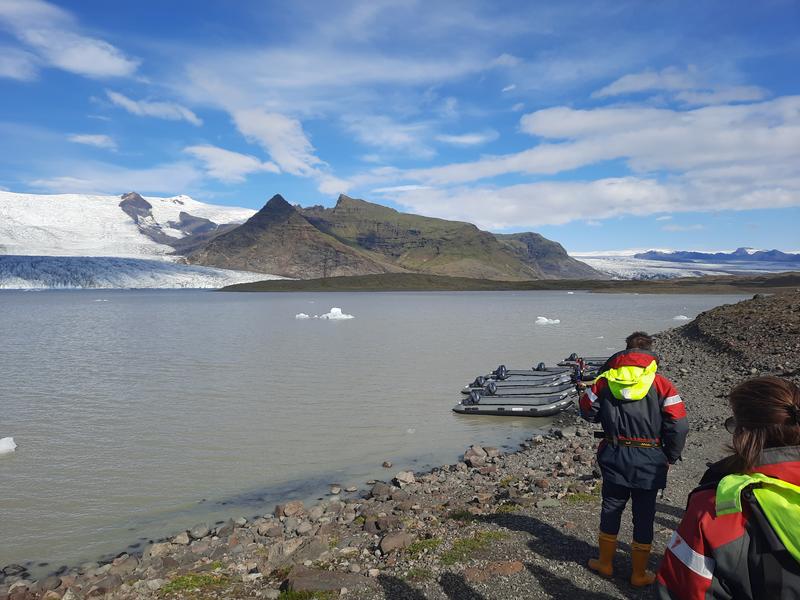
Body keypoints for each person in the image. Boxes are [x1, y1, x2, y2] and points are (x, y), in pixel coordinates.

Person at [657, 376, 800, 599]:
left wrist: (670, 455)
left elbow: (686, 589)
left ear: (743, 433)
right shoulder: (660, 383)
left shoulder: (715, 508)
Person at [579, 331, 688, 586]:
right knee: (645, 512)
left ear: (625, 351)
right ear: (649, 352)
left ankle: (605, 563)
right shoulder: (662, 384)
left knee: (611, 506)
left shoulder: (604, 381)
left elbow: (587, 410)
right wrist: (670, 455)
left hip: (614, 453)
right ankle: (638, 574)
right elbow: (679, 426)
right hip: (650, 457)